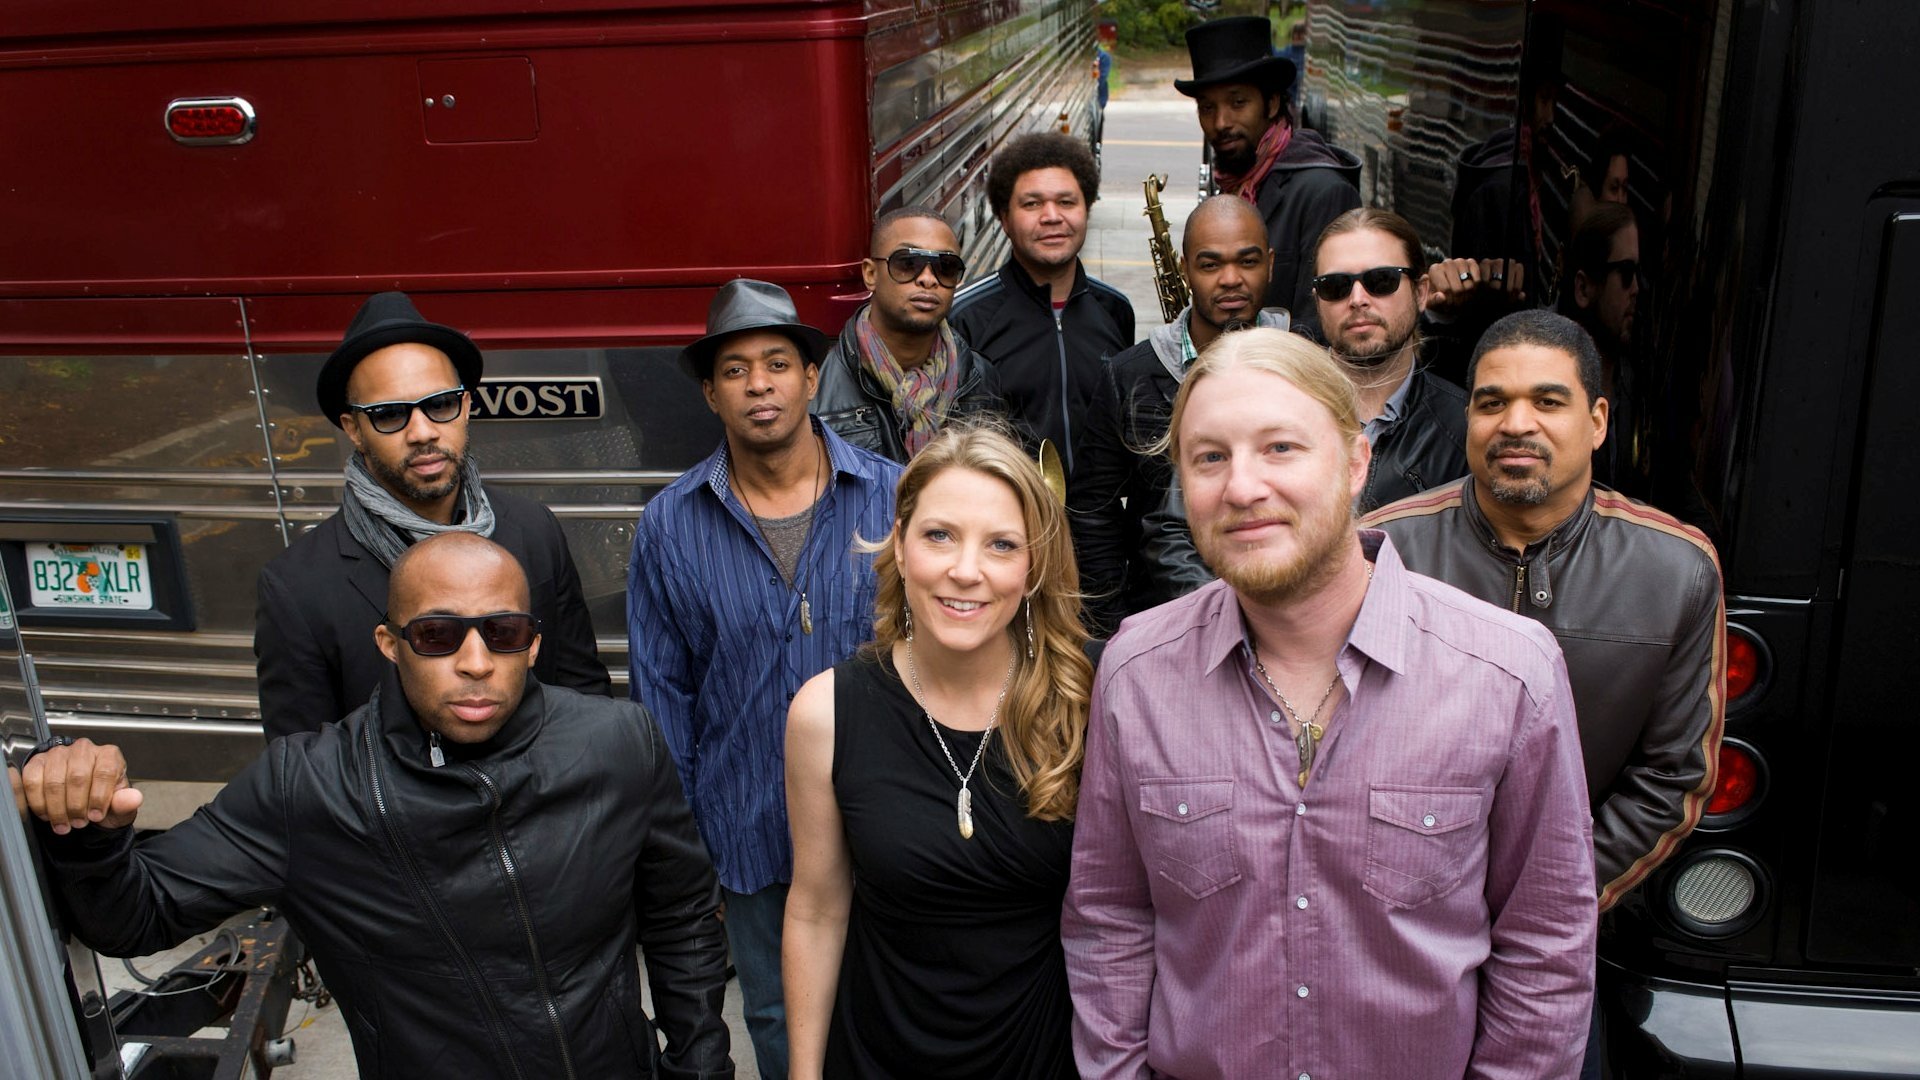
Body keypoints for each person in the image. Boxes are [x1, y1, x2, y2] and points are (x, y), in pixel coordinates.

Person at [1062, 327, 1596, 1078]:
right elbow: (1110, 921)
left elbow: (1546, 948)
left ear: (1354, 463)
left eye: (1281, 448)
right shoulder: (1137, 674)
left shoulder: (1507, 673)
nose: (1243, 487)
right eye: (1210, 457)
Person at [25, 533, 731, 1080]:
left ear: (534, 643)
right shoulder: (310, 787)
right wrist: (88, 829)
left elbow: (681, 916)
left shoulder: (615, 742)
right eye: (437, 634)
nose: (476, 661)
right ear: (390, 644)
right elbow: (134, 915)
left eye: (503, 632)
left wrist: (698, 1066)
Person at [626, 279, 903, 1080]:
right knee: (780, 1017)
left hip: (882, 814)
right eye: (737, 370)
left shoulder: (892, 494)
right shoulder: (671, 523)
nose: (760, 385)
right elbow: (662, 696)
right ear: (711, 393)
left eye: (777, 364)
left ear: (811, 378)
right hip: (747, 826)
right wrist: (683, 850)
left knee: (894, 1002)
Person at [1364, 308, 1724, 914]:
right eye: (1492, 402)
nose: (1517, 424)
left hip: (1566, 919)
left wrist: (1550, 900)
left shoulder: (1676, 570)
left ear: (1598, 421)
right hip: (1396, 914)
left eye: (1549, 402)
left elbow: (1671, 779)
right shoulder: (1379, 552)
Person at [783, 425, 1093, 1079]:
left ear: (1033, 565)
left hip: (1042, 1057)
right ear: (899, 543)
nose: (966, 569)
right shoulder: (826, 713)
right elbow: (815, 908)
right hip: (878, 1056)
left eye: (1002, 544)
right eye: (939, 535)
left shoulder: (1088, 699)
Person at [254, 290, 609, 739]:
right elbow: (302, 768)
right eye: (389, 414)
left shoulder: (533, 529)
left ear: (465, 406)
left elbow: (585, 696)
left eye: (439, 404)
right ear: (353, 430)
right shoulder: (298, 587)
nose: (422, 432)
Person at [1070, 194, 1282, 635]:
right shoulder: (1130, 377)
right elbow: (1093, 513)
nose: (1230, 280)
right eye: (1209, 265)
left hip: (1284, 620)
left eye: (1247, 262)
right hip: (1160, 626)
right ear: (1185, 270)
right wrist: (1115, 629)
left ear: (1271, 264)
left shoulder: (1305, 365)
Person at [950, 132, 1134, 483]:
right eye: (1032, 204)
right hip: (1012, 522)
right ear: (1004, 219)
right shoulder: (965, 317)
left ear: (1088, 210)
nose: (1052, 216)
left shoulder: (1116, 310)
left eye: (1066, 202)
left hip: (1100, 528)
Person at [1177, 15, 1361, 326]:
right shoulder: (1237, 180)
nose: (1221, 123)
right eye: (1207, 108)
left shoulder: (1324, 192)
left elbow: (1322, 327)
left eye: (1237, 102)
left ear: (1272, 104)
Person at [814, 208, 1013, 462]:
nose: (928, 279)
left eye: (946, 267)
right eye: (908, 264)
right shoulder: (817, 384)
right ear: (870, 274)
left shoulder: (980, 378)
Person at [1311, 207, 1469, 510]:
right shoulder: (1276, 409)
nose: (1357, 299)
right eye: (1336, 286)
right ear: (1318, 300)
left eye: (1382, 280)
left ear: (1421, 294)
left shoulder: (1463, 429)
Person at [1558, 203, 1644, 492]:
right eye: (1626, 273)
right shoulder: (1547, 380)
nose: (1636, 289)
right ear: (1584, 288)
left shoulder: (1636, 387)